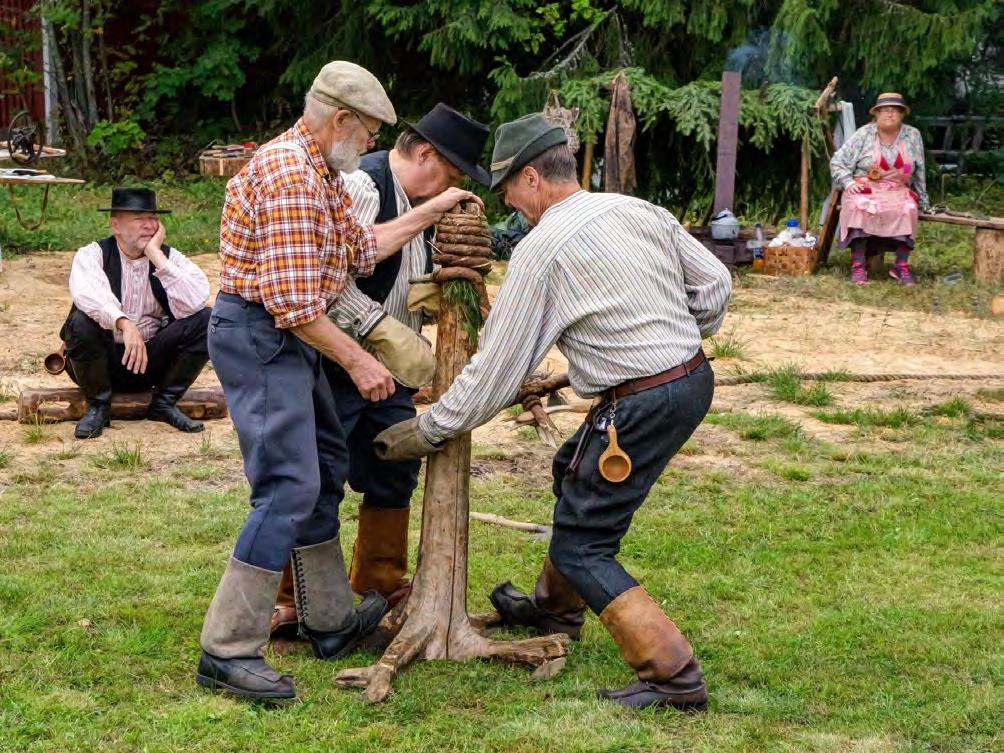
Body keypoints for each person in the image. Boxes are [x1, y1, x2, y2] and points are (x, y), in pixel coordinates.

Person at [374, 113, 732, 711]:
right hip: (691, 378)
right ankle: (554, 610)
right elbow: (715, 283)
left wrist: (432, 428)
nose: (510, 204)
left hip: (640, 402)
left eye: (509, 189)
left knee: (582, 548)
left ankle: (674, 676)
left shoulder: (544, 249)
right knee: (573, 468)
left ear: (533, 176)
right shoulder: (636, 210)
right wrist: (668, 338)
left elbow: (497, 368)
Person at [196, 61, 481, 701]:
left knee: (323, 461)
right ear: (340, 119)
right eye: (371, 132)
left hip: (285, 333)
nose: (376, 146)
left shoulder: (325, 173)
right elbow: (294, 305)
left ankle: (328, 620)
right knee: (287, 485)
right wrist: (362, 359)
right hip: (261, 334)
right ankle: (228, 648)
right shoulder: (293, 175)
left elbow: (360, 248)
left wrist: (432, 210)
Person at [268, 103, 492, 639]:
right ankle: (292, 599)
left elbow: (397, 270)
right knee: (318, 475)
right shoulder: (365, 188)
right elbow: (326, 278)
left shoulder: (415, 203)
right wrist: (378, 332)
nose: (453, 187)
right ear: (425, 154)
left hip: (387, 368)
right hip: (339, 360)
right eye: (453, 174)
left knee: (396, 463)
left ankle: (378, 583)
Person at [61, 187, 211, 439]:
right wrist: (124, 324)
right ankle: (98, 406)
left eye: (153, 218)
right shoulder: (92, 255)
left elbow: (195, 300)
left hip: (150, 363)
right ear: (116, 225)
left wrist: (156, 255)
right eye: (139, 219)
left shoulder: (169, 257)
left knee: (206, 319)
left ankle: (164, 403)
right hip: (101, 364)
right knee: (80, 321)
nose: (149, 225)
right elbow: (89, 295)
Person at [830, 92, 930, 286]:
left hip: (897, 190)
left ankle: (900, 266)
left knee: (908, 208)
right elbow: (837, 161)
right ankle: (858, 266)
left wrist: (923, 201)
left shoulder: (913, 135)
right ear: (876, 113)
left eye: (895, 110)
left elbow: (920, 170)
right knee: (860, 206)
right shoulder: (863, 134)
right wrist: (849, 183)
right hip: (865, 188)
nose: (890, 114)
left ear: (902, 114)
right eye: (884, 110)